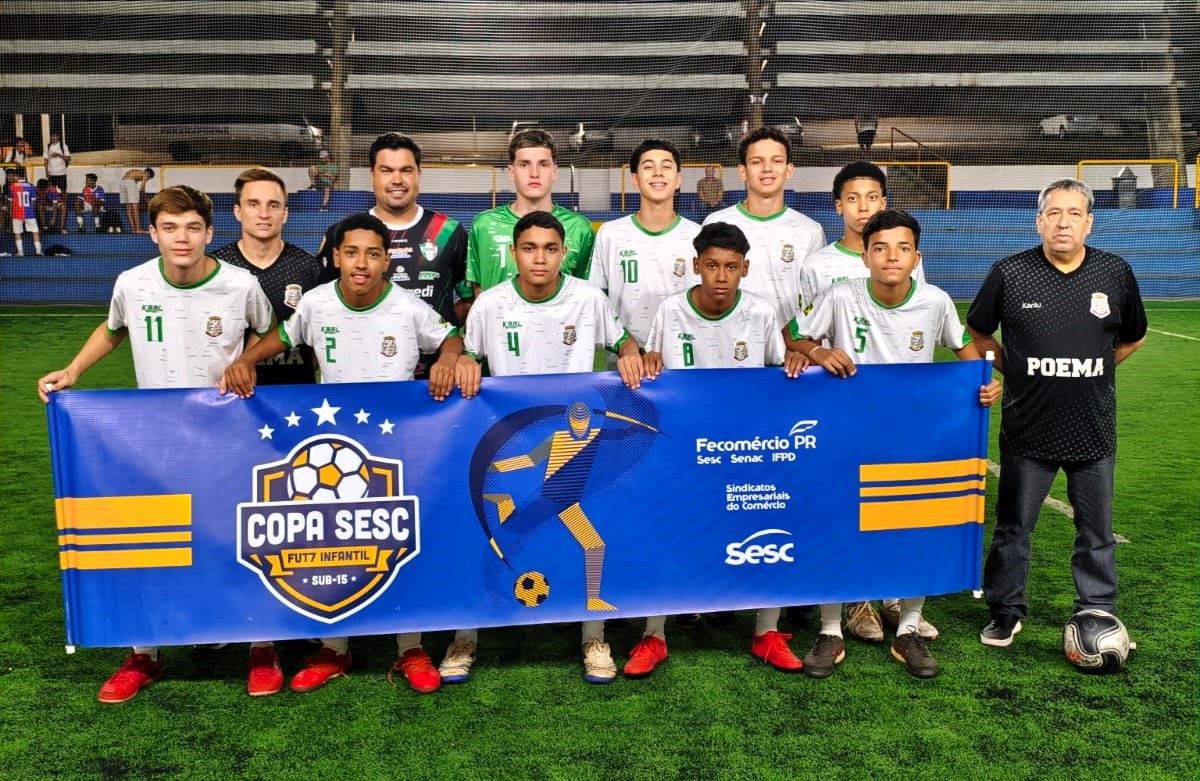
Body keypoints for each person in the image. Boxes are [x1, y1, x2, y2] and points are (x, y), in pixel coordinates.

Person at [37, 185, 273, 703]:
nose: (181, 238)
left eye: (192, 228)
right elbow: (113, 329)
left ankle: (261, 647)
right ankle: (144, 654)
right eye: (169, 228)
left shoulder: (240, 284)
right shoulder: (133, 282)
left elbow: (268, 330)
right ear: (152, 233)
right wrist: (73, 370)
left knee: (239, 538)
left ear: (209, 233)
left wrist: (246, 361)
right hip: (154, 441)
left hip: (226, 438)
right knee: (149, 543)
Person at [221, 212, 464, 696]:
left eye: (372, 254)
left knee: (400, 543)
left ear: (386, 261)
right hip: (335, 455)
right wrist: (246, 359)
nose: (361, 263)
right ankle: (334, 648)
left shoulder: (406, 308)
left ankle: (410, 647)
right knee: (335, 546)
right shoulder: (316, 303)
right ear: (335, 257)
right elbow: (284, 337)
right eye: (351, 252)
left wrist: (450, 358)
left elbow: (450, 337)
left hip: (395, 449)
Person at [786, 208, 1002, 679]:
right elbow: (793, 334)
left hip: (912, 435)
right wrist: (818, 351)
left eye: (903, 248)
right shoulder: (839, 296)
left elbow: (969, 358)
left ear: (916, 258)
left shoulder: (936, 301)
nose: (891, 257)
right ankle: (830, 630)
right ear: (865, 257)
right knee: (838, 523)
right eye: (880, 248)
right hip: (847, 432)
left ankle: (907, 629)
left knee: (915, 524)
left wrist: (986, 384)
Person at [447, 210, 647, 686]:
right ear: (513, 253)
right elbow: (466, 351)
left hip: (568, 474)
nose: (540, 258)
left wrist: (631, 354)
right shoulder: (490, 304)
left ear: (564, 254)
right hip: (514, 454)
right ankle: (464, 637)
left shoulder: (588, 299)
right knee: (482, 539)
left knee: (593, 541)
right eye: (530, 248)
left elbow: (623, 341)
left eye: (551, 249)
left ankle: (594, 635)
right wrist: (463, 361)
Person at [966, 179, 1147, 649]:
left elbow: (1134, 336)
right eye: (1053, 213)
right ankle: (1005, 610)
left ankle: (1096, 608)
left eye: (1073, 213)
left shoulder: (1115, 272)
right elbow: (978, 331)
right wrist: (1012, 368)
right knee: (1013, 528)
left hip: (1093, 429)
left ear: (1089, 222)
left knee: (1096, 531)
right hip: (1028, 428)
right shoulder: (1010, 273)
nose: (1063, 223)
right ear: (1038, 221)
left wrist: (1098, 367)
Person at [630, 221, 807, 679]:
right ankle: (654, 635)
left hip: (744, 449)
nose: (721, 276)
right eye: (712, 266)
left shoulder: (762, 313)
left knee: (766, 533)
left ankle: (767, 632)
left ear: (745, 268)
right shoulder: (671, 311)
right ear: (696, 266)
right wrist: (650, 362)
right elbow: (654, 370)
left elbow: (779, 374)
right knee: (668, 532)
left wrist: (793, 359)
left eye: (731, 266)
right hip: (682, 450)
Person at [797, 161, 932, 645]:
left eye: (872, 197)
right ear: (838, 206)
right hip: (845, 410)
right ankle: (855, 602)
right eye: (853, 198)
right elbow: (801, 334)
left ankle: (895, 599)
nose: (863, 207)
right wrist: (817, 353)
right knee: (848, 504)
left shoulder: (905, 258)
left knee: (896, 502)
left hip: (902, 414)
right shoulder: (818, 266)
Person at [317, 132, 470, 377]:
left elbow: (468, 300)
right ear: (372, 175)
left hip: (435, 380)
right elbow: (322, 307)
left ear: (418, 174)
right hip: (362, 376)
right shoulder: (342, 234)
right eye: (386, 170)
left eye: (406, 170)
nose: (397, 179)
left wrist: (437, 334)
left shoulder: (449, 231)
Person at [213, 167, 324, 393]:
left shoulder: (309, 267)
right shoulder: (216, 267)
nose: (264, 214)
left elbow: (319, 340)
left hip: (295, 394)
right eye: (253, 204)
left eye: (273, 205)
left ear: (285, 213)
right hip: (231, 396)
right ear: (238, 211)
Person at [704, 126, 825, 328]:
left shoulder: (810, 231)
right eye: (756, 161)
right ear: (743, 171)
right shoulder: (715, 223)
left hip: (787, 344)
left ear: (789, 169)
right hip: (727, 339)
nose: (767, 168)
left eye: (776, 161)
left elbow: (816, 301)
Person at [588, 139, 700, 352]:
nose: (658, 173)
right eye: (648, 167)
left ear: (678, 179)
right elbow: (597, 301)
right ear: (635, 180)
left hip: (683, 357)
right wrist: (624, 346)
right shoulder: (610, 234)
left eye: (666, 166)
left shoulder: (698, 235)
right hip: (624, 360)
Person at [466, 129, 595, 296]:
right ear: (512, 172)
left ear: (554, 171)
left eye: (543, 164)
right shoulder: (483, 225)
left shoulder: (579, 228)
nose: (534, 174)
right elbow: (477, 291)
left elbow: (585, 290)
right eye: (524, 164)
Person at [7, 168, 42, 256]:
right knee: (35, 231)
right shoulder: (31, 186)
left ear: (16, 176)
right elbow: (33, 201)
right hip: (29, 213)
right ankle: (38, 251)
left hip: (16, 212)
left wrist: (11, 212)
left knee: (17, 232)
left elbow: (10, 202)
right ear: (25, 175)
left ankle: (20, 252)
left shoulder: (12, 187)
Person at [44, 131, 71, 222]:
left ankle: (64, 215)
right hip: (52, 174)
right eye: (52, 136)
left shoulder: (63, 146)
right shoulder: (48, 146)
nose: (53, 138)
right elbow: (45, 160)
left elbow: (68, 158)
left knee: (63, 195)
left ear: (58, 137)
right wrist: (46, 171)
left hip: (61, 173)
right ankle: (53, 216)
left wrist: (59, 155)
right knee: (52, 194)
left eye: (55, 136)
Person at [119, 167, 155, 234]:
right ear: (149, 174)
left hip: (122, 183)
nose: (147, 179)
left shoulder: (136, 173)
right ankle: (138, 229)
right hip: (129, 183)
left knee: (128, 207)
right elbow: (142, 188)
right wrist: (146, 199)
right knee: (135, 207)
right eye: (148, 178)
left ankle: (133, 229)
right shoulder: (145, 174)